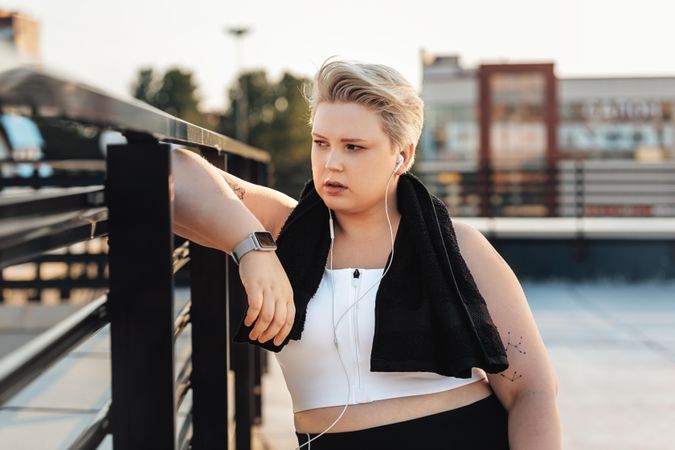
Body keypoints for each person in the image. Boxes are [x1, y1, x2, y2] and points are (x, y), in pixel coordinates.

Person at [172, 58, 562, 449]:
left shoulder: (459, 247)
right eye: (321, 142)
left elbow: (531, 391)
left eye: (354, 147)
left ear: (402, 156)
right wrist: (253, 249)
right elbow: (172, 170)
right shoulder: (283, 230)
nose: (331, 163)